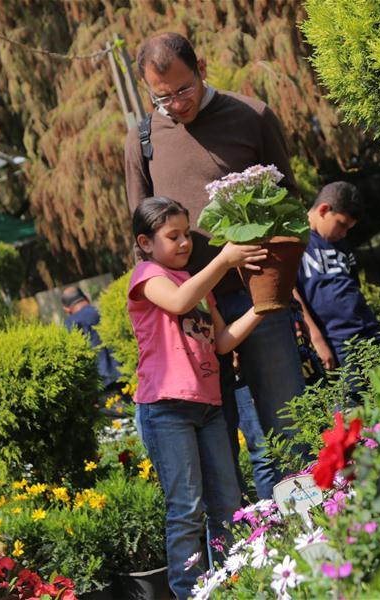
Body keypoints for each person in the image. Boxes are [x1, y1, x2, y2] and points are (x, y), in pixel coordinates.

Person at [124, 32, 309, 497]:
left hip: (257, 291)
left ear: (202, 67)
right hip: (195, 313)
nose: (175, 103)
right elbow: (140, 236)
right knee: (214, 439)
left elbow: (289, 207)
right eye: (161, 95)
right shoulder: (142, 138)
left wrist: (286, 286)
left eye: (183, 89)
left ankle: (316, 527)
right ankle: (238, 552)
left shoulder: (252, 115)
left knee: (288, 422)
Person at [127, 196, 268, 599]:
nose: (185, 242)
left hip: (207, 408)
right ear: (146, 241)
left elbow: (222, 342)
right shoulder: (147, 275)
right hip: (166, 408)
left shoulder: (196, 284)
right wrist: (223, 260)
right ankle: (192, 592)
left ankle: (235, 583)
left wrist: (263, 306)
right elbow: (177, 302)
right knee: (186, 510)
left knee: (227, 502)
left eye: (187, 233)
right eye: (174, 235)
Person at [297, 182, 380, 369]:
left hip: (369, 329)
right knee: (354, 396)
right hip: (337, 340)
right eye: (341, 225)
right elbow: (291, 294)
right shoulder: (296, 242)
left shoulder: (340, 244)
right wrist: (316, 338)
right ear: (324, 210)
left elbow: (352, 285)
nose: (343, 234)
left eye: (348, 229)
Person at [61, 286, 122, 393]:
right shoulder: (102, 310)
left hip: (102, 383)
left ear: (66, 309)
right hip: (125, 373)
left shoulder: (71, 323)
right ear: (86, 298)